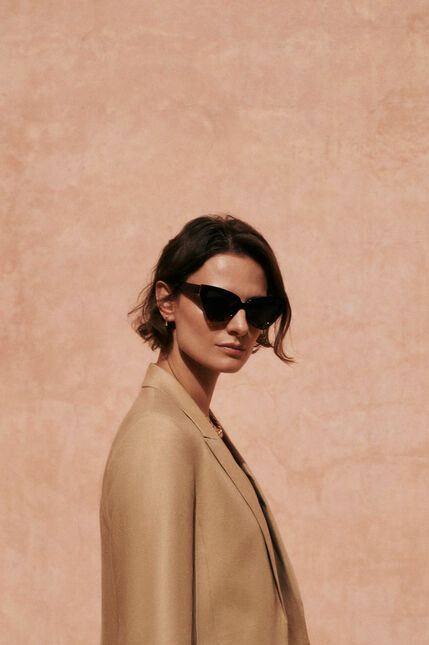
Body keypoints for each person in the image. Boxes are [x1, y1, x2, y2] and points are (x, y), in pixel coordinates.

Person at [99, 213, 311, 645]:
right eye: (218, 302)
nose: (240, 326)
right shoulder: (160, 437)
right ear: (166, 301)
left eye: (259, 310)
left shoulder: (194, 426)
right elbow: (154, 632)